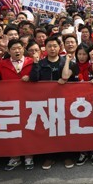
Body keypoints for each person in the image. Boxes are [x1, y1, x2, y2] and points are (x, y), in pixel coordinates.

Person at [29, 35, 79, 170]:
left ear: (59, 47)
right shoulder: (41, 63)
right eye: (49, 46)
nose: (52, 48)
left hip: (65, 102)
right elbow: (34, 79)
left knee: (65, 128)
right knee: (49, 129)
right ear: (45, 48)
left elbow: (70, 78)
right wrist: (35, 63)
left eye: (55, 46)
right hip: (46, 102)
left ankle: (67, 155)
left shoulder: (67, 62)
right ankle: (49, 156)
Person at [0, 39, 34, 171]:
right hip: (9, 102)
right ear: (9, 51)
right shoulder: (3, 63)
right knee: (13, 129)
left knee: (28, 129)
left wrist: (31, 77)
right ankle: (15, 157)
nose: (17, 51)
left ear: (23, 49)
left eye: (19, 48)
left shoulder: (32, 62)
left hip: (29, 101)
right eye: (13, 49)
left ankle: (29, 156)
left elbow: (39, 77)